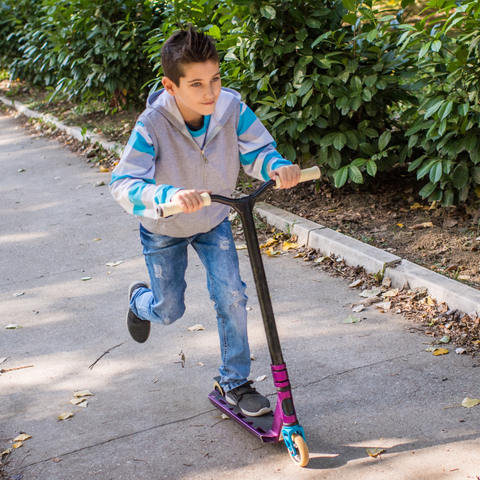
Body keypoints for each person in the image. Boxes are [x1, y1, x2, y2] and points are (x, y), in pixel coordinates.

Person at [109, 26, 300, 417]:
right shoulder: (152, 124)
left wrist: (277, 168)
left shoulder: (231, 109)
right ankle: (139, 301)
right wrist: (168, 196)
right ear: (171, 85)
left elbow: (258, 151)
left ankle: (234, 383)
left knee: (233, 296)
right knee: (169, 311)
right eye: (196, 84)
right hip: (166, 229)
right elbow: (123, 183)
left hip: (214, 218)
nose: (210, 92)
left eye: (214, 79)